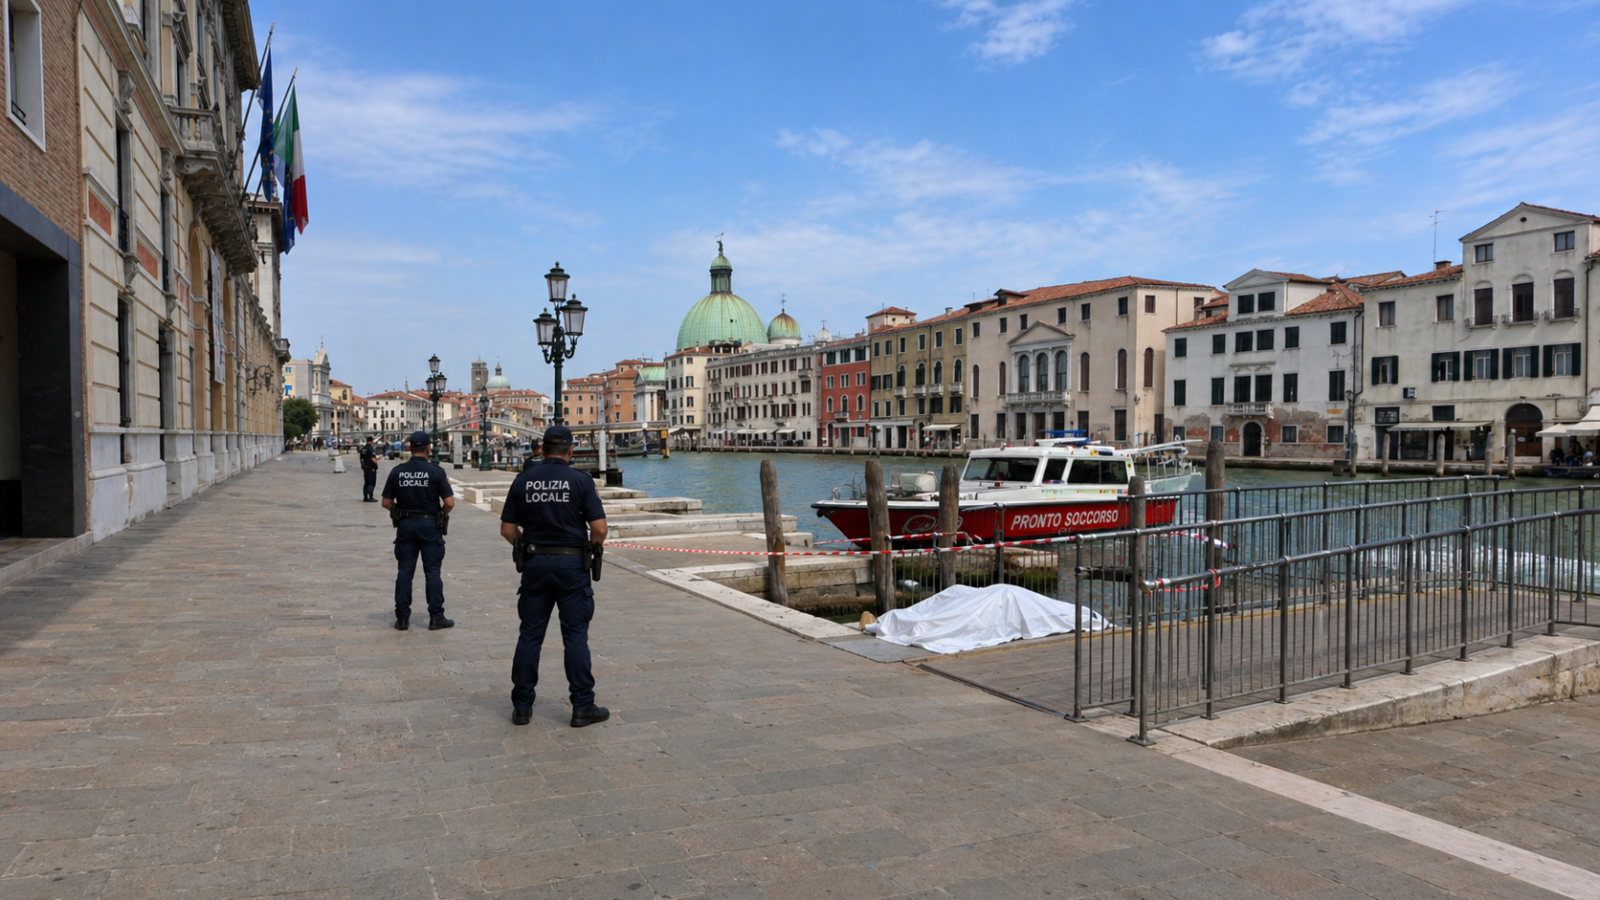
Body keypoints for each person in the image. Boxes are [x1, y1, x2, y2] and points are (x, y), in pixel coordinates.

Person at [499, 424, 609, 728]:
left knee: (530, 634)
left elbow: (507, 530)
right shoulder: (581, 481)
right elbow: (599, 529)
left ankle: (522, 707)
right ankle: (582, 707)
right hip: (572, 566)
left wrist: (525, 545)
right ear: (571, 451)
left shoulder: (523, 480)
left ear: (542, 449)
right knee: (575, 636)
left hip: (535, 563)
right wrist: (590, 546)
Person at [381, 430, 456, 631]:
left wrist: (398, 509)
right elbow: (449, 502)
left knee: (404, 571)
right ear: (428, 448)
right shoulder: (436, 472)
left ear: (409, 448)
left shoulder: (398, 471)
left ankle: (403, 618)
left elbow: (386, 502)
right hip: (430, 525)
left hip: (405, 525)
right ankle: (436, 617)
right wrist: (441, 512)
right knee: (432, 571)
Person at [359, 437, 380, 501]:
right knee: (371, 483)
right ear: (371, 441)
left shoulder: (363, 449)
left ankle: (365, 497)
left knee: (366, 483)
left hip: (365, 467)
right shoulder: (370, 449)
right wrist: (375, 467)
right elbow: (373, 459)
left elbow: (361, 459)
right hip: (371, 468)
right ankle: (370, 497)